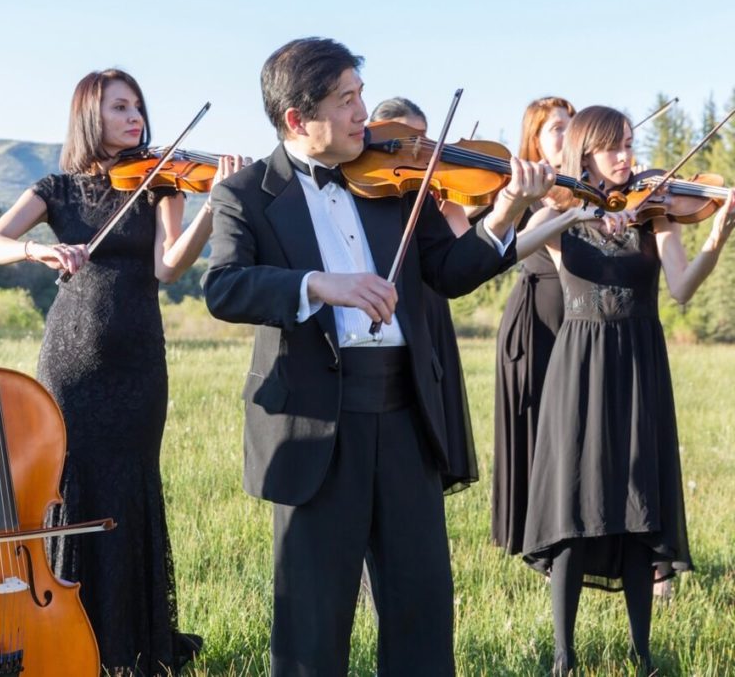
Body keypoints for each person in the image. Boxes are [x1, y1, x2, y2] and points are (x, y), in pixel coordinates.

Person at [202, 37, 555, 675]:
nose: (364, 113)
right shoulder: (246, 194)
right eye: (347, 100)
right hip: (313, 423)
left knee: (421, 607)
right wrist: (317, 284)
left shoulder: (393, 185)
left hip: (403, 414)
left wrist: (506, 212)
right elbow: (224, 287)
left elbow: (446, 272)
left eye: (361, 95)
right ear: (296, 119)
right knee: (312, 618)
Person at [0, 68, 245, 675]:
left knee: (130, 488)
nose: (136, 118)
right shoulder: (57, 187)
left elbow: (170, 267)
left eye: (138, 107)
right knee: (68, 490)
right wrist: (36, 248)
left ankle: (129, 641)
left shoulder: (162, 184)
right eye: (120, 107)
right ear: (89, 116)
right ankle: (58, 632)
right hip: (69, 362)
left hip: (138, 363)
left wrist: (213, 205)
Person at [519, 105, 735, 674]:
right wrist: (573, 216)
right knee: (571, 503)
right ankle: (563, 657)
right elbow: (521, 244)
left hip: (640, 361)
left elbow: (683, 288)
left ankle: (643, 653)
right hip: (579, 363)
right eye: (614, 147)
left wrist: (716, 237)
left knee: (641, 503)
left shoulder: (655, 214)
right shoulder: (558, 209)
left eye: (630, 146)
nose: (627, 158)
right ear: (585, 152)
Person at [369, 96, 477, 493]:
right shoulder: (373, 192)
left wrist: (458, 216)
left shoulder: (435, 198)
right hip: (392, 304)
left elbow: (463, 265)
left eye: (425, 141)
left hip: (431, 309)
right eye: (408, 142)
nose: (421, 153)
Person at [491, 97, 575, 554]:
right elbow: (506, 250)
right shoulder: (526, 191)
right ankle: (527, 533)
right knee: (537, 422)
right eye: (556, 128)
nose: (567, 134)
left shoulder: (586, 187)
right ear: (536, 141)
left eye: (572, 126)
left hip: (581, 320)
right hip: (538, 320)